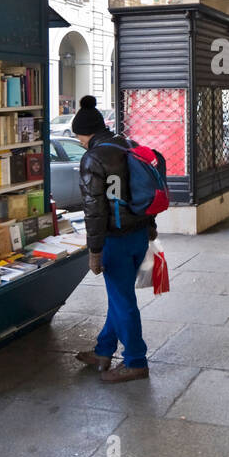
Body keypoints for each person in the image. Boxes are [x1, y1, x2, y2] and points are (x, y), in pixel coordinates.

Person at [72, 96, 156, 384]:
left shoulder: (93, 158)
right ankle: (104, 350)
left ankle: (135, 361)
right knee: (118, 298)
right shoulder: (126, 144)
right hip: (138, 234)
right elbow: (143, 188)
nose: (80, 142)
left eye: (79, 136)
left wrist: (95, 251)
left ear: (86, 133)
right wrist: (151, 226)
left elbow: (94, 209)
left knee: (123, 300)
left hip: (115, 240)